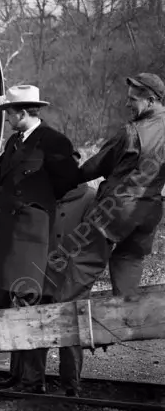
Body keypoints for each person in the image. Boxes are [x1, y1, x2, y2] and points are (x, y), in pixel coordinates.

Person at [0, 85, 80, 393]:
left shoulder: (54, 142)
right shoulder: (15, 142)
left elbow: (69, 179)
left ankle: (32, 380)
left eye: (9, 113)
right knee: (16, 302)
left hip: (32, 236)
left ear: (23, 113)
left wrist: (39, 201)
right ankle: (17, 376)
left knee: (29, 303)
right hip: (8, 237)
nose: (7, 119)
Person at [52, 73, 165, 302]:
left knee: (85, 258)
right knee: (129, 258)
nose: (127, 104)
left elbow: (97, 164)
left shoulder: (132, 132)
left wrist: (66, 180)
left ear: (151, 100)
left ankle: (66, 319)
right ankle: (127, 317)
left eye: (133, 100)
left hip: (117, 208)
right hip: (150, 210)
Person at [32, 182, 97, 396]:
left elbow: (94, 243)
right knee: (35, 328)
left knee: (71, 332)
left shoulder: (90, 198)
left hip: (71, 278)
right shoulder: (43, 192)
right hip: (39, 273)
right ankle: (33, 383)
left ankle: (70, 386)